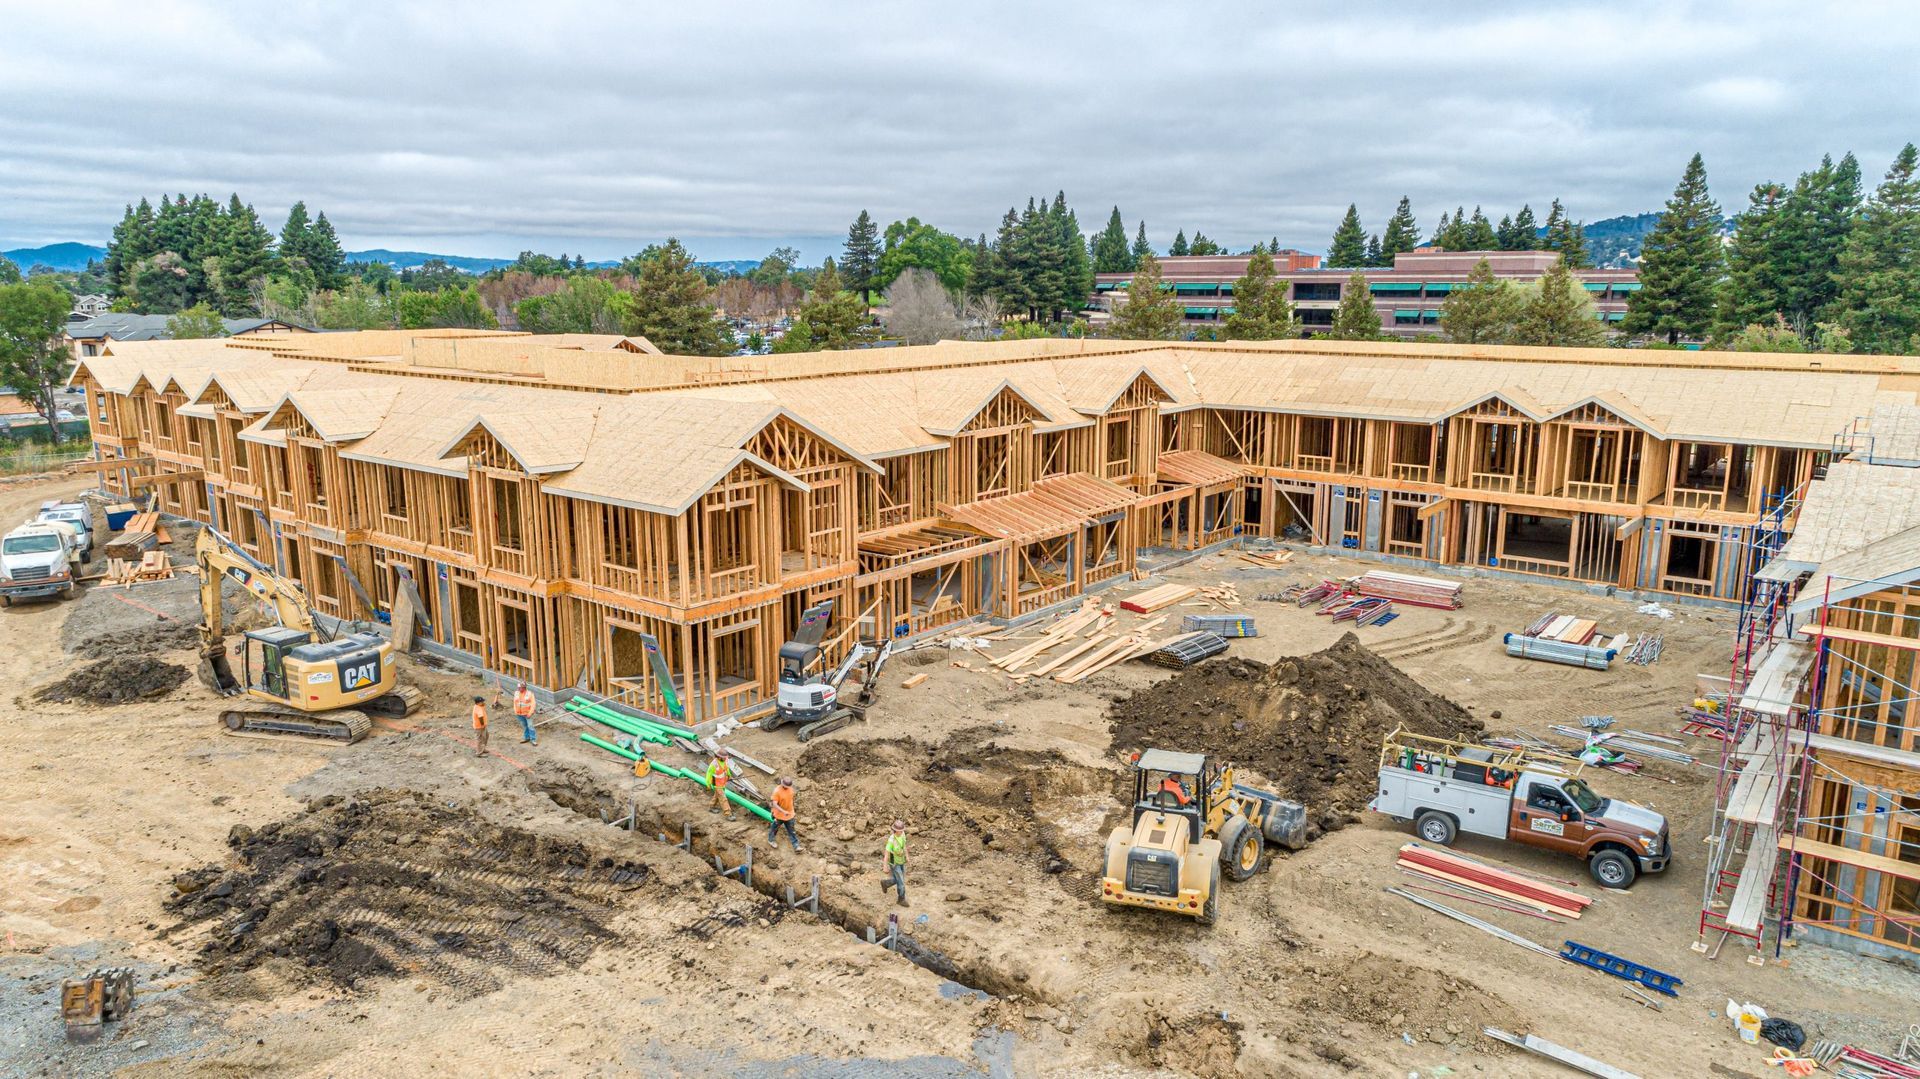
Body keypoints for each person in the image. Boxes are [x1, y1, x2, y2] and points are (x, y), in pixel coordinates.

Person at [767, 777, 800, 852]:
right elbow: (774, 804)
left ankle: (796, 846)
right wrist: (783, 811)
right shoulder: (777, 791)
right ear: (782, 784)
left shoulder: (791, 789)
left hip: (789, 814)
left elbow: (791, 799)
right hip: (779, 815)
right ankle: (771, 840)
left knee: (792, 830)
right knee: (774, 828)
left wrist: (791, 810)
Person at [881, 820, 908, 906]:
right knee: (901, 881)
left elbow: (904, 846)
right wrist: (885, 866)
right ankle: (901, 899)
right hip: (894, 862)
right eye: (899, 831)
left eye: (902, 830)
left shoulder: (903, 835)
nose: (901, 832)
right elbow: (886, 854)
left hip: (901, 860)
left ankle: (885, 883)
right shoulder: (891, 840)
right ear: (895, 830)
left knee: (900, 878)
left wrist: (907, 856)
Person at [705, 755, 734, 819]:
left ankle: (711, 807)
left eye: (725, 757)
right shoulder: (714, 764)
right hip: (717, 784)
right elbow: (709, 774)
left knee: (717, 795)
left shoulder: (725, 760)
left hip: (722, 782)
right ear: (719, 757)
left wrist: (729, 775)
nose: (725, 758)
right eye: (724, 757)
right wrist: (708, 784)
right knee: (723, 798)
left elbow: (726, 768)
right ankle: (728, 814)